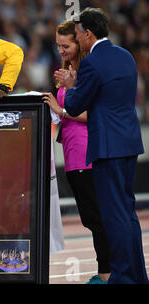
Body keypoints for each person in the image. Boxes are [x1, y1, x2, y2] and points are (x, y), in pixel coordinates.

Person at [64, 8, 148, 284]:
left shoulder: (92, 62)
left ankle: (123, 277)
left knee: (114, 216)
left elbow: (75, 105)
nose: (78, 39)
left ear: (88, 34)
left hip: (107, 147)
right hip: (129, 142)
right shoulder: (126, 56)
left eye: (77, 35)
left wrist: (73, 85)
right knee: (128, 212)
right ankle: (136, 275)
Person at [42, 20, 111, 284]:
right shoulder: (66, 72)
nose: (61, 50)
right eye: (58, 45)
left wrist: (61, 110)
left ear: (80, 43)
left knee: (97, 219)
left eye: (66, 45)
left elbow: (94, 114)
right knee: (91, 219)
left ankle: (107, 274)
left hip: (87, 155)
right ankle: (106, 271)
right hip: (72, 156)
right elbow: (69, 121)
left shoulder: (86, 72)